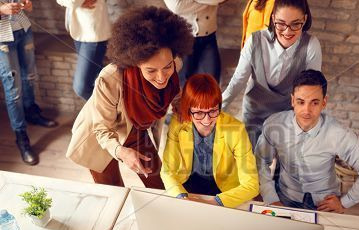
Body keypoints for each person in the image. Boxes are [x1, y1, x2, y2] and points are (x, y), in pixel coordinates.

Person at [66, 6, 193, 188]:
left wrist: (185, 108)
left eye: (167, 67)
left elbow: (174, 93)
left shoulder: (173, 62)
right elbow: (101, 128)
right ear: (136, 63)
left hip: (135, 129)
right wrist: (120, 151)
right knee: (113, 189)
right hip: (98, 135)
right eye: (151, 70)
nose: (162, 77)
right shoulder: (110, 78)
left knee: (159, 185)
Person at [255, 70, 359, 213]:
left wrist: (344, 203)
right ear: (292, 101)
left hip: (324, 202)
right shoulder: (274, 125)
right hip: (284, 196)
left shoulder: (339, 134)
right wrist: (271, 197)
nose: (307, 110)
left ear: (324, 102)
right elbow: (260, 162)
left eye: (314, 103)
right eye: (301, 102)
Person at [222, 0, 321, 147]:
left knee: (280, 166)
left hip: (287, 118)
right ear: (273, 18)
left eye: (295, 24)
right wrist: (216, 109)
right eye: (281, 23)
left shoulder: (311, 46)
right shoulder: (255, 41)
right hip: (254, 115)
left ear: (304, 20)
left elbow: (310, 92)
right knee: (250, 162)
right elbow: (238, 81)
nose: (287, 31)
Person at [161, 74, 259, 208]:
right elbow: (167, 171)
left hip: (223, 192)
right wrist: (182, 197)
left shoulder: (236, 129)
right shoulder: (177, 124)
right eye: (199, 113)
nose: (207, 121)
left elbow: (251, 184)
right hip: (187, 187)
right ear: (188, 110)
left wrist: (213, 203)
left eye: (213, 111)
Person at [0, 0, 57, 165]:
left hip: (24, 29)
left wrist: (27, 4)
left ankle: (32, 112)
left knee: (30, 77)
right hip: (2, 37)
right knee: (14, 92)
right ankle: (22, 139)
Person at [57, 0, 111, 100]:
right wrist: (80, 3)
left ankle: (109, 110)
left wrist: (75, 3)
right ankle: (107, 111)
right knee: (100, 78)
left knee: (81, 88)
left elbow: (72, 2)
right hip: (78, 31)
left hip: (94, 33)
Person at [164, 0, 225, 86]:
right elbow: (176, 6)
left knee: (212, 81)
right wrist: (208, 2)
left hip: (208, 38)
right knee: (182, 83)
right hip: (183, 39)